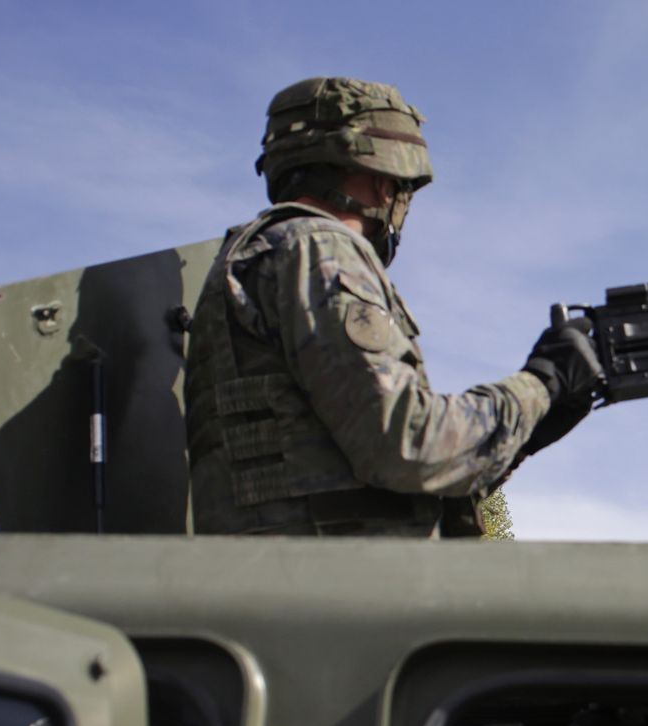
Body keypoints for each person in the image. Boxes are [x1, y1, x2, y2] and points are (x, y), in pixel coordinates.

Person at [185, 76, 601, 537]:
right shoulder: (320, 248)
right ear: (385, 183)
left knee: (510, 569)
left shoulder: (265, 253)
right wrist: (539, 385)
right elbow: (405, 443)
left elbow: (405, 472)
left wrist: (526, 431)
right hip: (336, 587)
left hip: (300, 577)